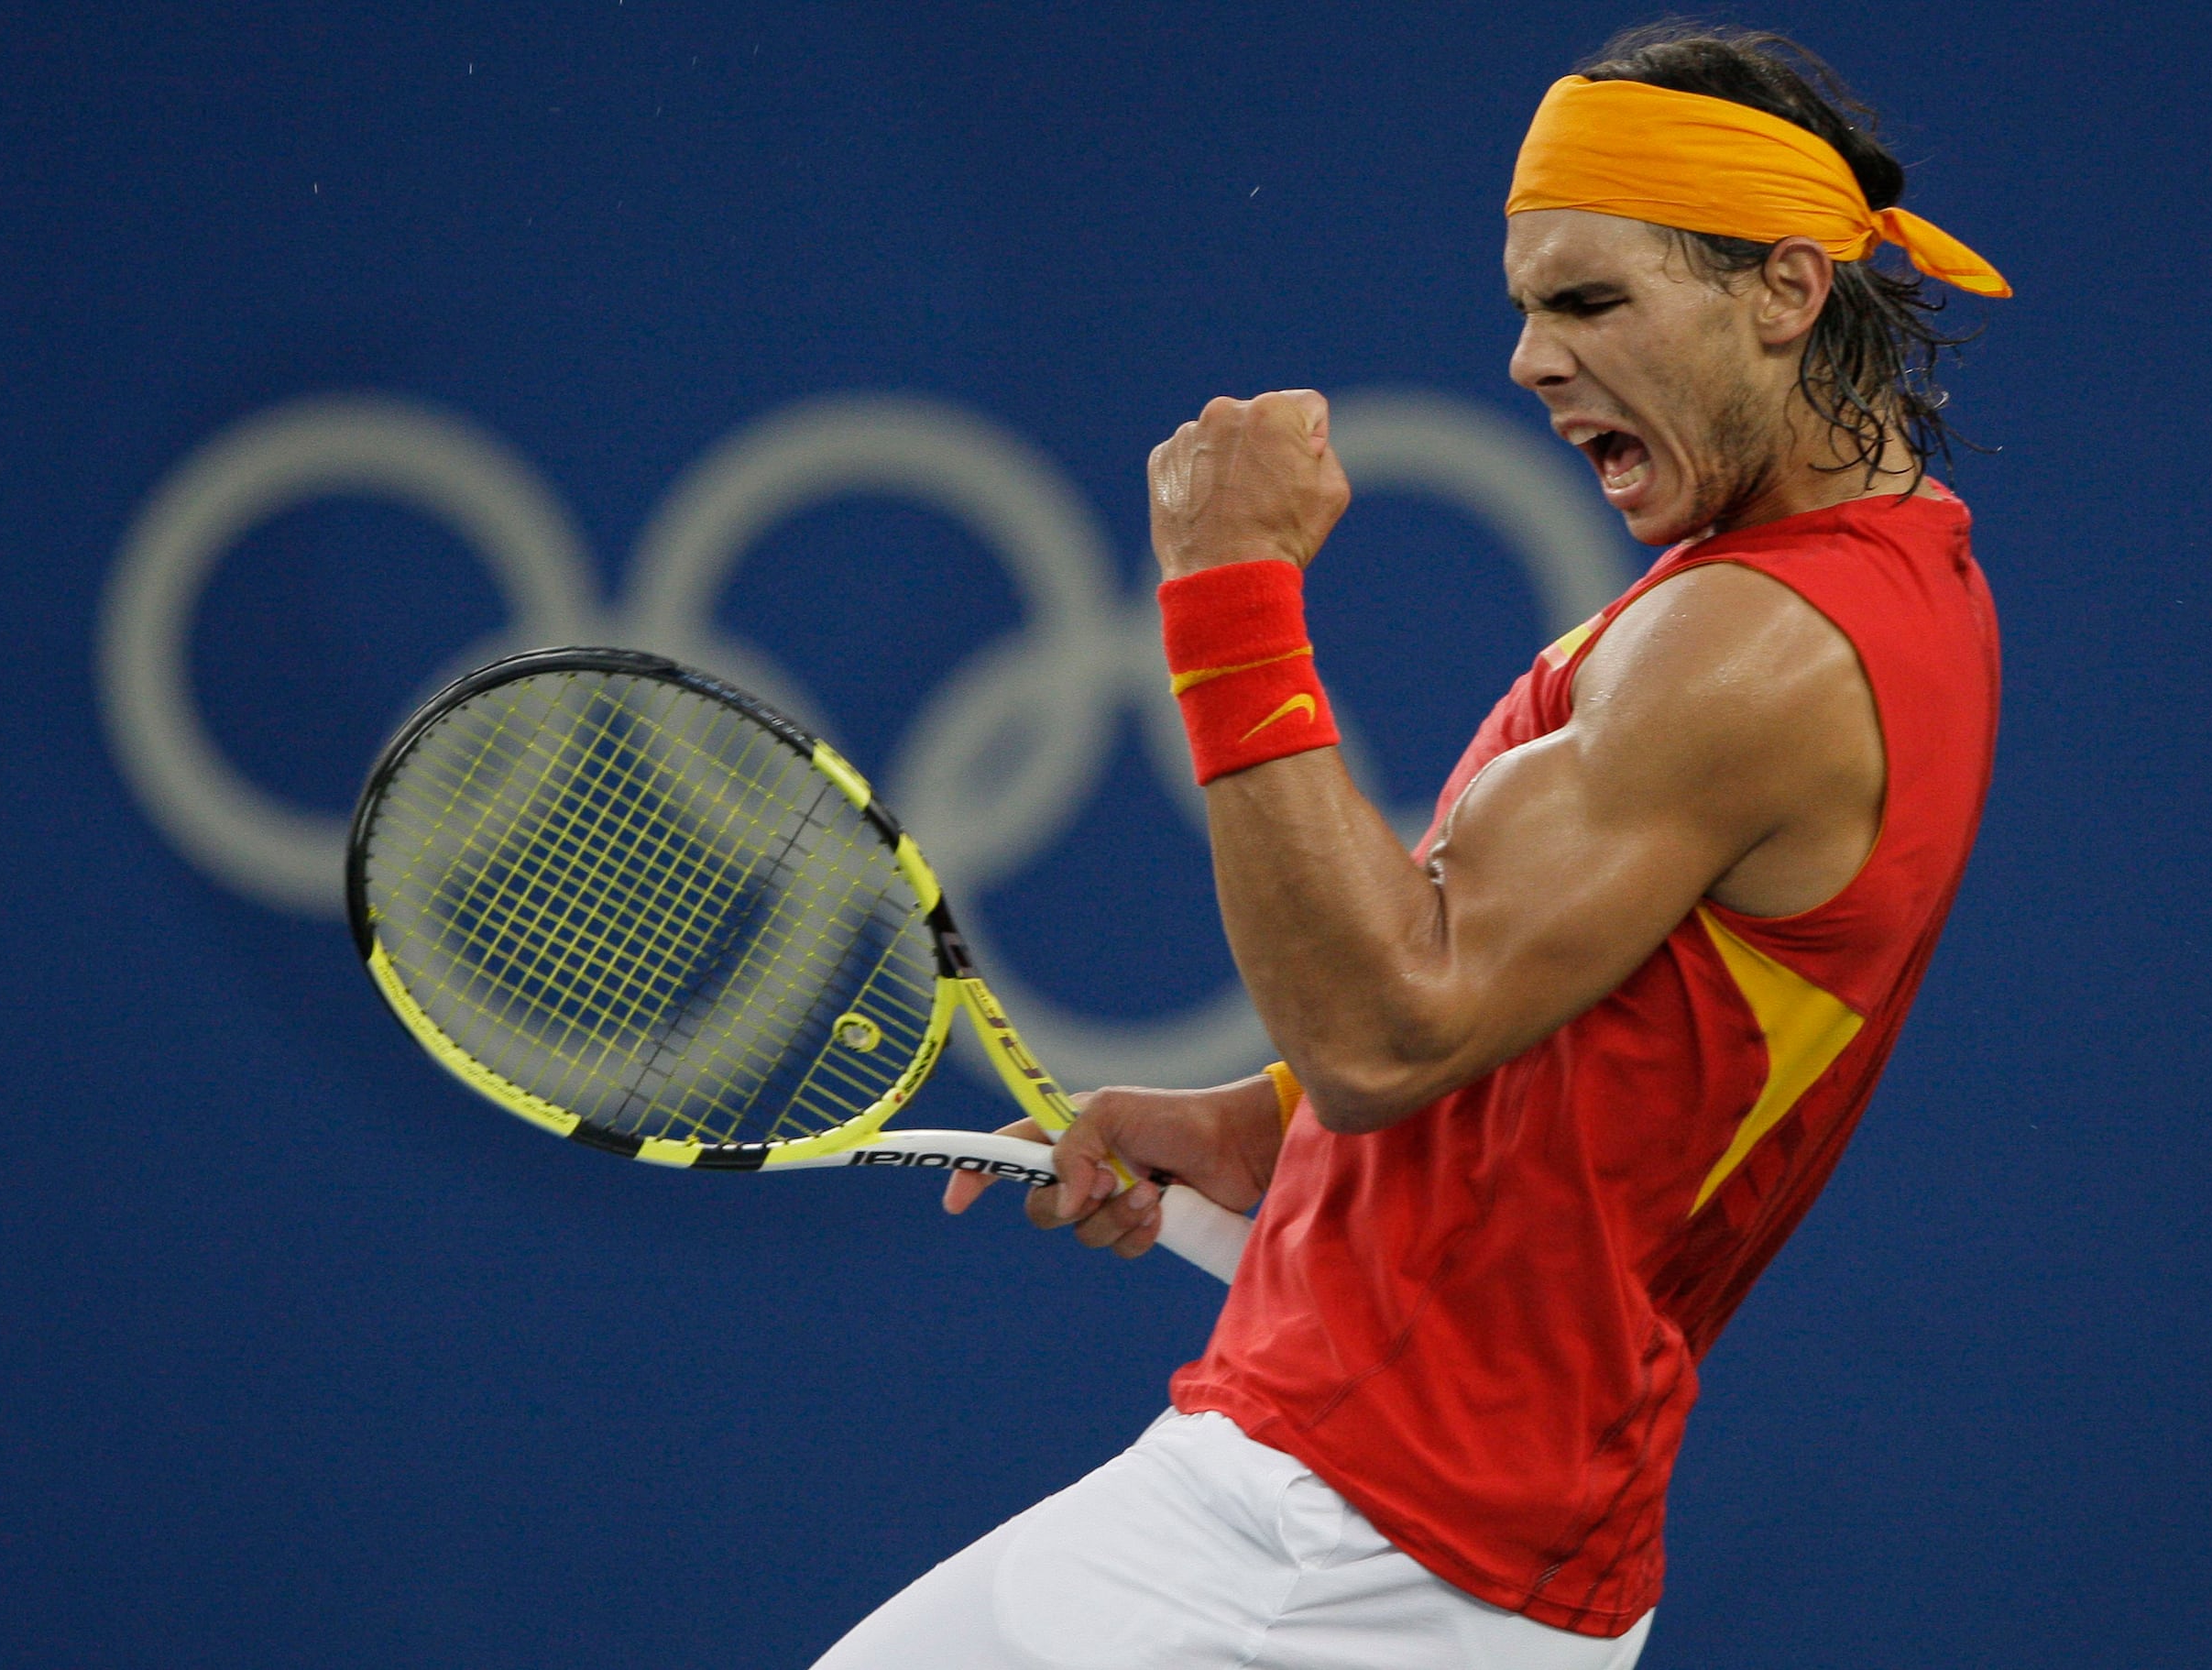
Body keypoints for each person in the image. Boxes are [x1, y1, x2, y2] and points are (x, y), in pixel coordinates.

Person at [814, 22, 2008, 1669]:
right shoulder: (1849, 588)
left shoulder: (1761, 647)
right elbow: (1568, 1031)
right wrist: (1269, 1127)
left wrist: (1228, 587)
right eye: (1525, 305)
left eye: (1589, 301)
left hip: (1356, 1540)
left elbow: (1387, 1030)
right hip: (1412, 1535)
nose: (1528, 359)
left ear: (1787, 290)